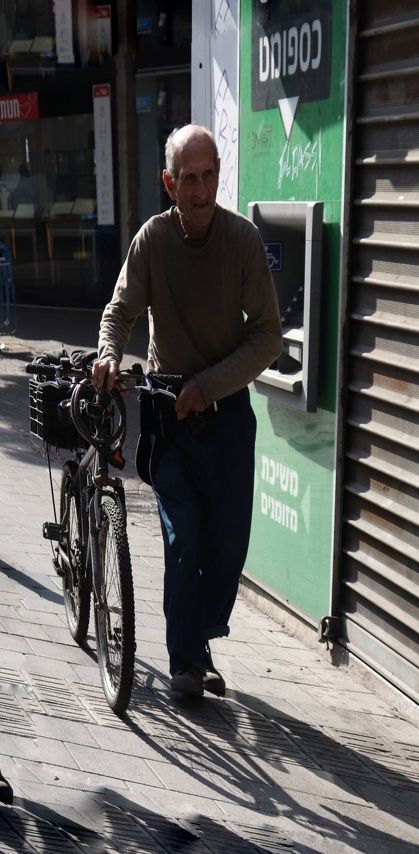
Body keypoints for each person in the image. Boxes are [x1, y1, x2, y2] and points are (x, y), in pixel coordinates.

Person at [92, 125, 282, 697]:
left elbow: (268, 337)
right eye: (189, 179)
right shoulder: (152, 241)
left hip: (226, 415)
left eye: (210, 175)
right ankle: (183, 664)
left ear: (218, 173)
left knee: (228, 546)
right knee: (183, 541)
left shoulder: (243, 242)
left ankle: (197, 641)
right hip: (168, 412)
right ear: (169, 183)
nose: (202, 190)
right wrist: (107, 354)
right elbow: (120, 311)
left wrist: (211, 384)